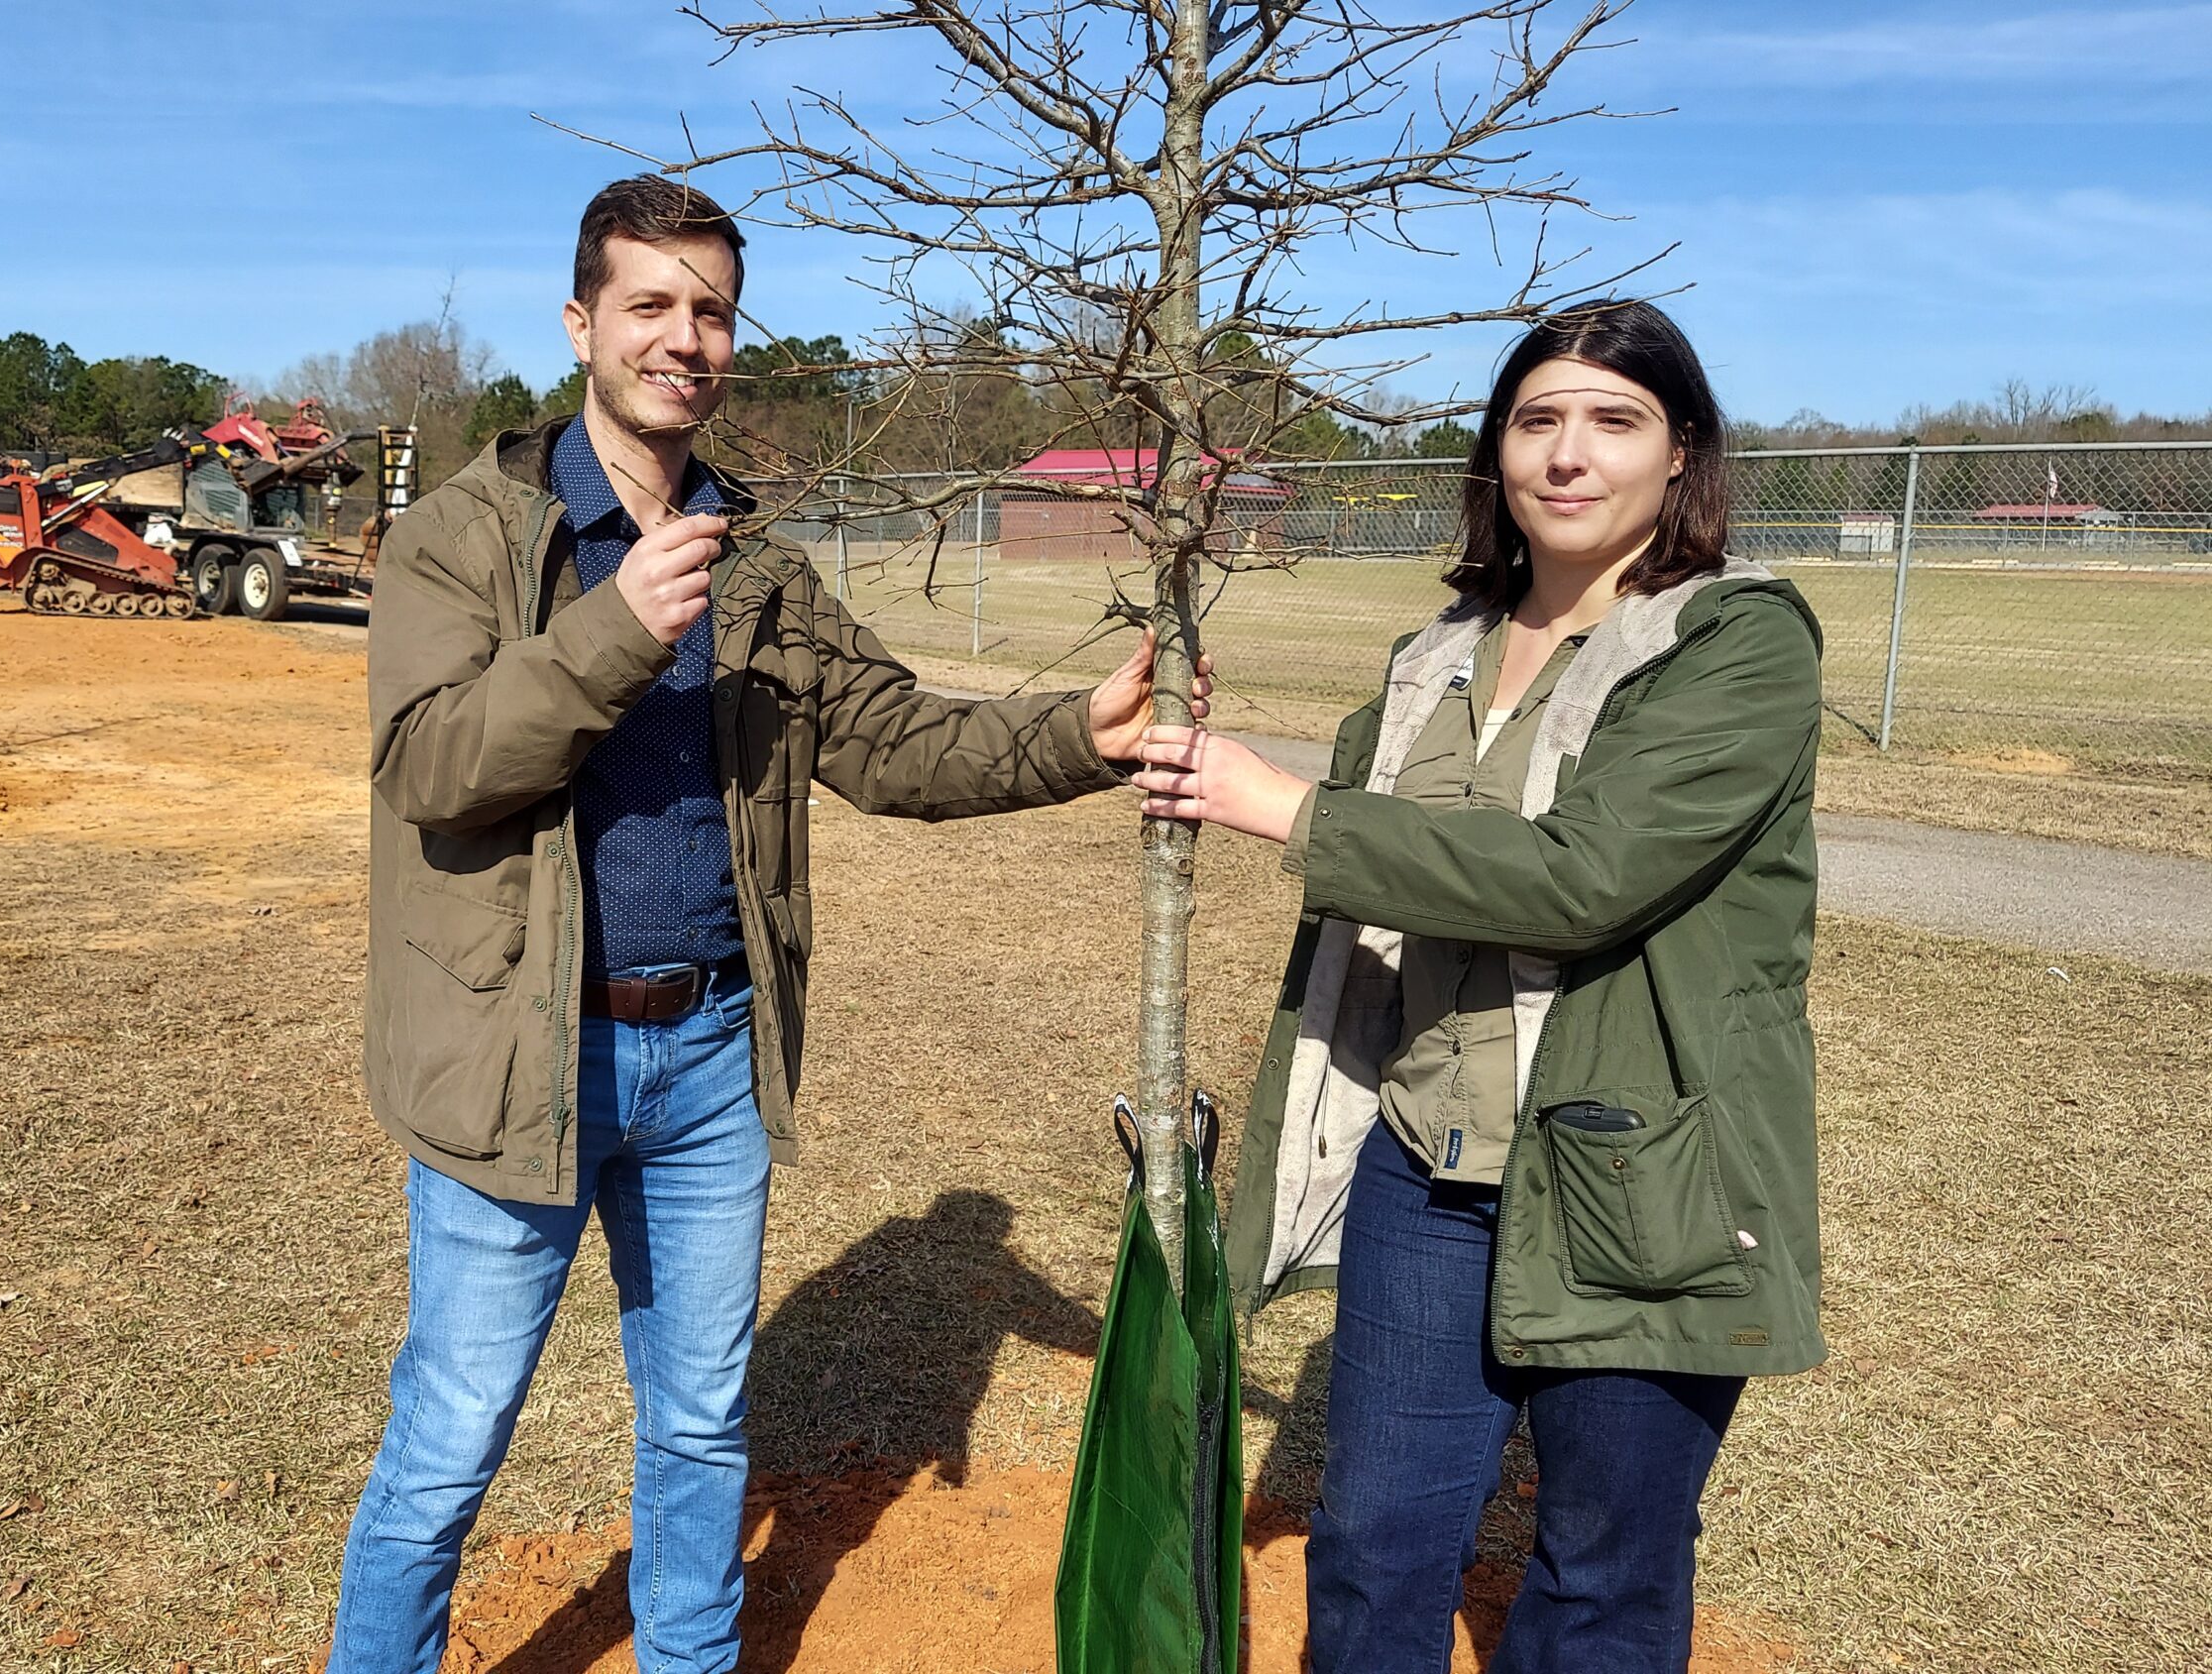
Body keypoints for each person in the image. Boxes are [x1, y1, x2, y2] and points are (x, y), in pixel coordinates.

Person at [330, 175, 1206, 1674]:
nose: (688, 337)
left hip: (712, 1059)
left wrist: (1081, 732)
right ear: (582, 323)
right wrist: (611, 632)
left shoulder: (763, 564)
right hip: (515, 1061)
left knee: (696, 1422)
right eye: (653, 304)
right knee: (451, 1439)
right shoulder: (463, 540)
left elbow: (890, 743)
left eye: (713, 309)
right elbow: (433, 767)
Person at [1132, 299, 1825, 1673]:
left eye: (1614, 422)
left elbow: (1584, 875)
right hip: (1428, 1171)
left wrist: (1287, 809)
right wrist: (1194, 732)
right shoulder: (1433, 656)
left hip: (1645, 1184)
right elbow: (1377, 836)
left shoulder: (1738, 647)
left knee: (1600, 1581)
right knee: (1375, 1549)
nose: (1570, 455)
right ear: (1495, 452)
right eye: (1536, 420)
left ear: (1681, 454)